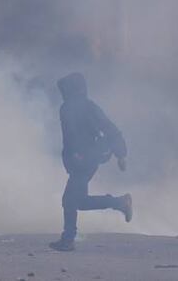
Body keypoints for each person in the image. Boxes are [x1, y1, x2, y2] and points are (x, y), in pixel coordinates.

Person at [49, 73, 131, 252]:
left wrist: (121, 154)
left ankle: (68, 239)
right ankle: (120, 203)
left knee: (69, 200)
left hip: (86, 159)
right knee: (80, 202)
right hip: (81, 159)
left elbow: (108, 128)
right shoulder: (71, 107)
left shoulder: (82, 107)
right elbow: (72, 137)